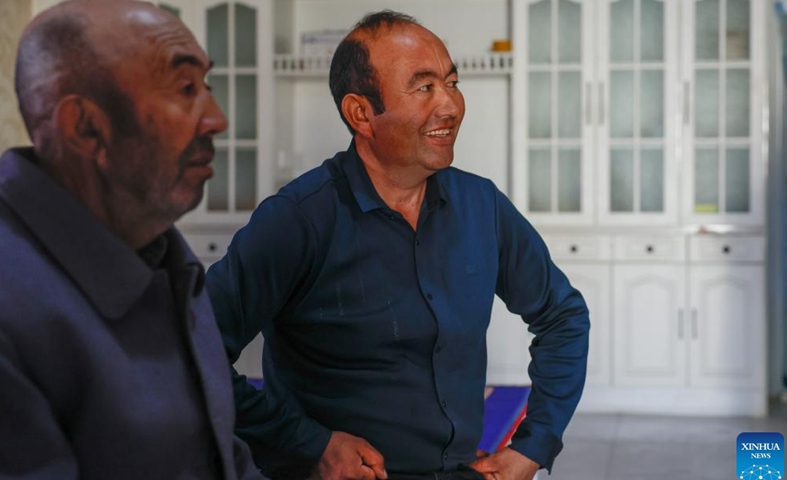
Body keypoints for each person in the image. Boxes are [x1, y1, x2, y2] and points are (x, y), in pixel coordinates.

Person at [206, 10, 590, 480]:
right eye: (424, 87)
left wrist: (534, 446)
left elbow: (563, 315)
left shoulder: (481, 205)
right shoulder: (296, 220)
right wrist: (309, 443)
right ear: (361, 113)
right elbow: (192, 353)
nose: (450, 105)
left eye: (452, 82)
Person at [0, 1, 264, 479]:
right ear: (85, 126)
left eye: (208, 86)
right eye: (186, 89)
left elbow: (220, 454)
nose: (217, 119)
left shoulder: (160, 250)